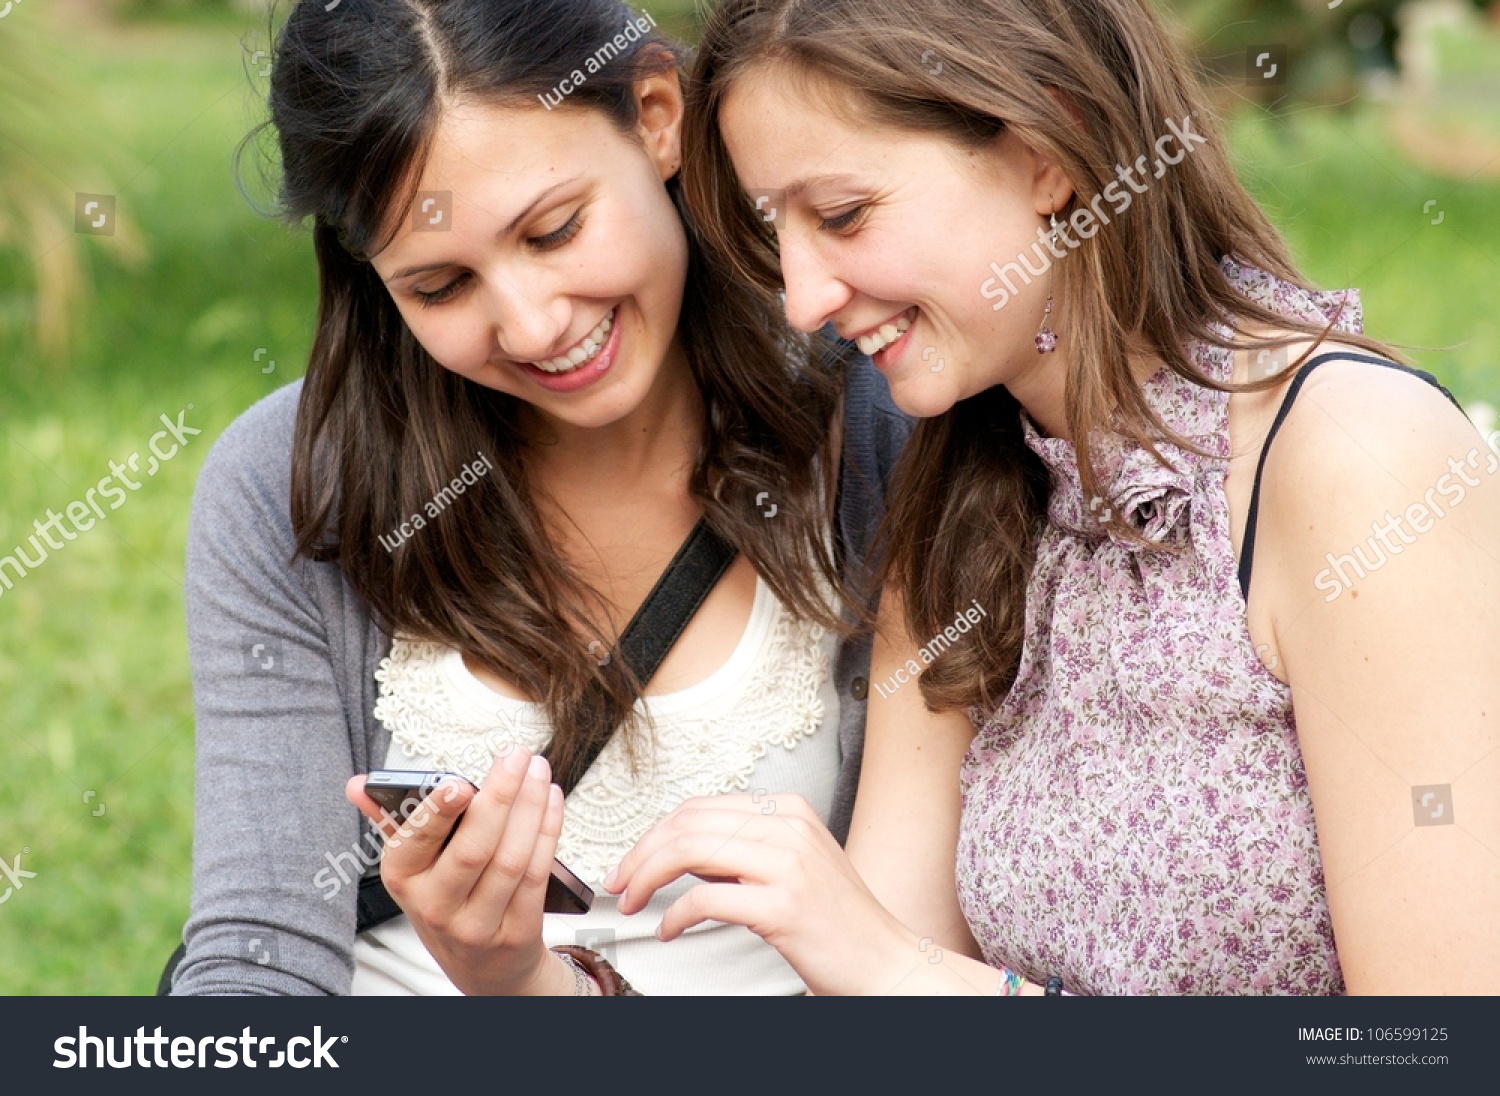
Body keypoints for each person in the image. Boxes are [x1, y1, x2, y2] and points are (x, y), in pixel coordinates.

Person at [605, 0, 1500, 994]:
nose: (804, 299)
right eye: (780, 233)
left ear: (1047, 152)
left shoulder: (1351, 462)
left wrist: (922, 977)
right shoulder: (965, 481)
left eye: (845, 214)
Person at [168, 0, 909, 996]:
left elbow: (911, 957)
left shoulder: (880, 422)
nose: (529, 325)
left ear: (655, 116)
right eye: (439, 286)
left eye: (554, 229)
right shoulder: (289, 484)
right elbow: (260, 955)